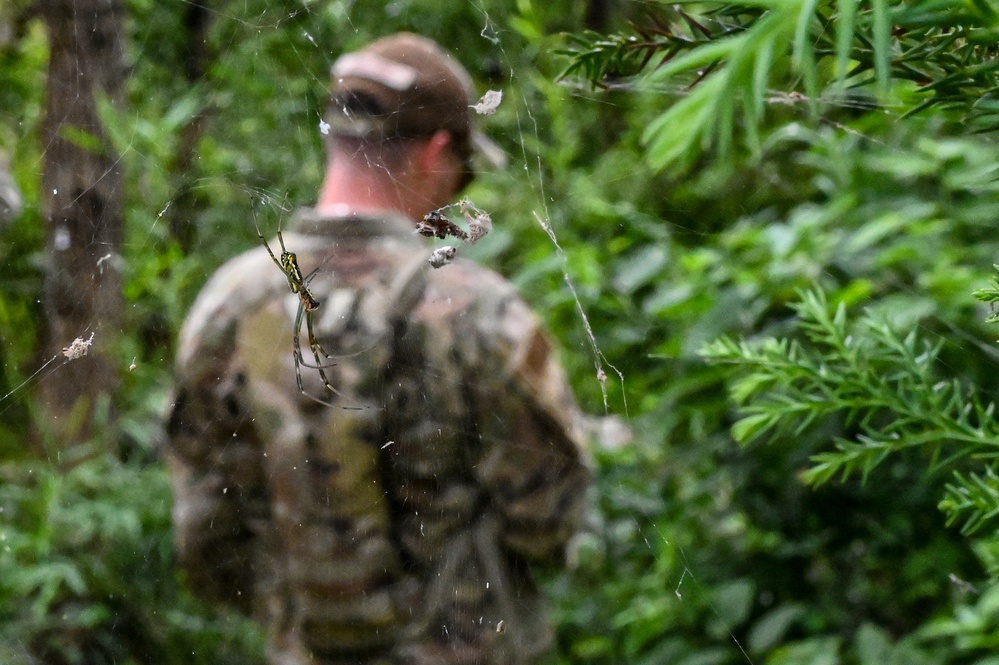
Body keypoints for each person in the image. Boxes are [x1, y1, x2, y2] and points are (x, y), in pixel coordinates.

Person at [166, 33, 591, 665]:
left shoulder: (230, 301)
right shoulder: (478, 310)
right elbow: (550, 523)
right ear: (437, 150)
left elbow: (204, 535)